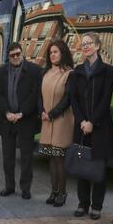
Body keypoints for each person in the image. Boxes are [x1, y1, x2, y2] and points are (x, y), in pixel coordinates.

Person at [70, 32, 113, 220]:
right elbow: (74, 99)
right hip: (81, 127)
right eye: (84, 44)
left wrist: (92, 122)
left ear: (98, 46)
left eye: (89, 43)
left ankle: (96, 206)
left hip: (100, 127)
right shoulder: (77, 72)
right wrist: (82, 121)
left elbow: (105, 100)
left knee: (98, 168)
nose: (86, 46)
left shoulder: (107, 71)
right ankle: (82, 203)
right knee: (82, 165)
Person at [0, 42, 42, 199]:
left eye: (18, 54)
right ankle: (9, 186)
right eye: (12, 55)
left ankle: (25, 188)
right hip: (7, 120)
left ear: (22, 53)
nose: (15, 57)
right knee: (7, 156)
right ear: (8, 57)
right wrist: (7, 112)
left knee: (26, 157)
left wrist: (22, 113)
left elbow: (34, 94)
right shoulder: (1, 72)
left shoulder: (34, 71)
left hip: (26, 120)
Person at [39, 40, 74, 208]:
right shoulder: (45, 73)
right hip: (46, 121)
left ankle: (62, 192)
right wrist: (42, 112)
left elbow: (67, 99)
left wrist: (51, 114)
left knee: (59, 157)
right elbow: (39, 96)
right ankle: (53, 191)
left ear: (63, 53)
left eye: (56, 52)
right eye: (51, 52)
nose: (52, 55)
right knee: (51, 158)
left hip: (61, 121)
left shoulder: (69, 73)